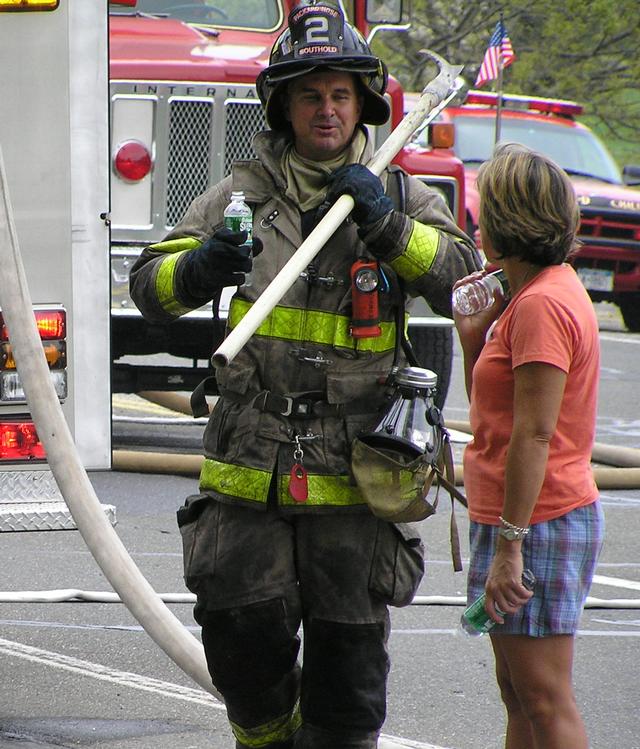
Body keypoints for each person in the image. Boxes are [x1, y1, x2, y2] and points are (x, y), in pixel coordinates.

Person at [130, 3, 480, 747]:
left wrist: (389, 227)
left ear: (363, 104)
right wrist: (195, 268)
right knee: (242, 645)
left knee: (349, 684)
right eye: (310, 94)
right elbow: (147, 288)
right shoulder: (240, 196)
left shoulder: (401, 192)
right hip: (249, 465)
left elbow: (466, 288)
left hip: (358, 476)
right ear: (283, 105)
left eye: (340, 95)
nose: (326, 109)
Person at [453, 142, 605, 749]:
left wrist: (511, 546)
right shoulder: (530, 296)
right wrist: (473, 338)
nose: (478, 222)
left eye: (486, 210)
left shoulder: (542, 304)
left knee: (544, 699)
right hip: (517, 514)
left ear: (512, 220)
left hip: (537, 519)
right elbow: (497, 411)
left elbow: (535, 432)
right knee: (518, 695)